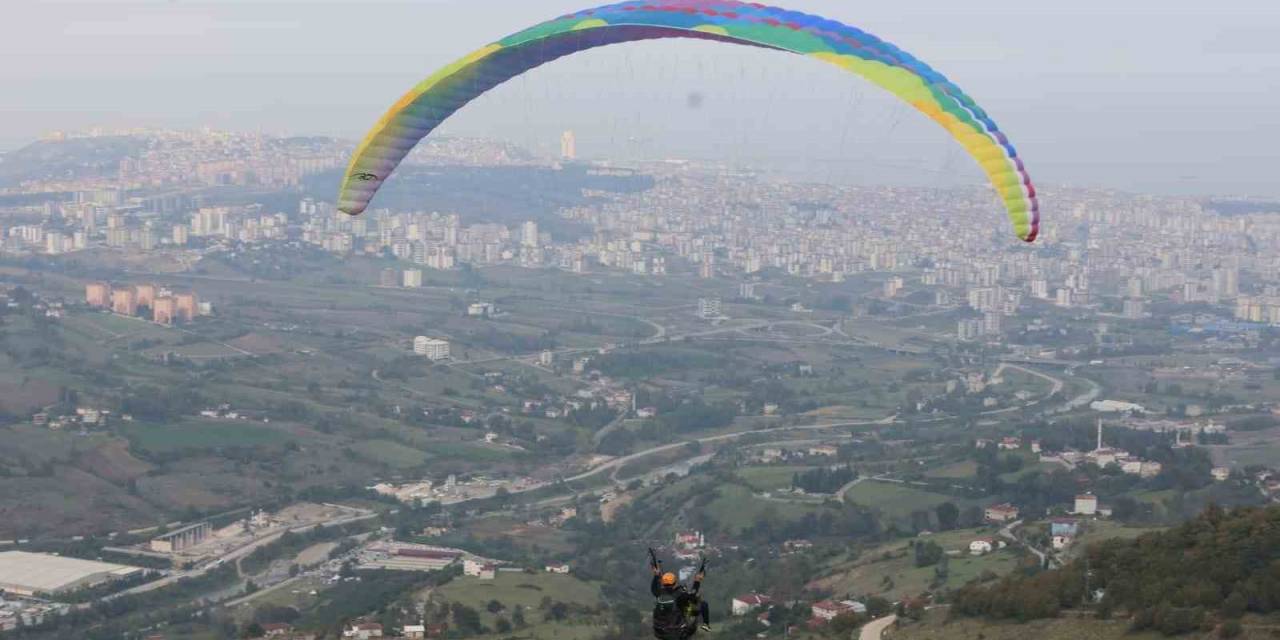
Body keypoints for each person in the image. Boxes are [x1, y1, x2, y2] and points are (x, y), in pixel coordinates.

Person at [651, 563, 710, 639]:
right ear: (675, 583)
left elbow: (653, 588)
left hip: (660, 633)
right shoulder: (680, 595)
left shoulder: (659, 593)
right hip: (678, 633)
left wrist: (656, 575)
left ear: (663, 583)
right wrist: (697, 581)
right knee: (702, 605)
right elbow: (693, 595)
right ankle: (706, 624)